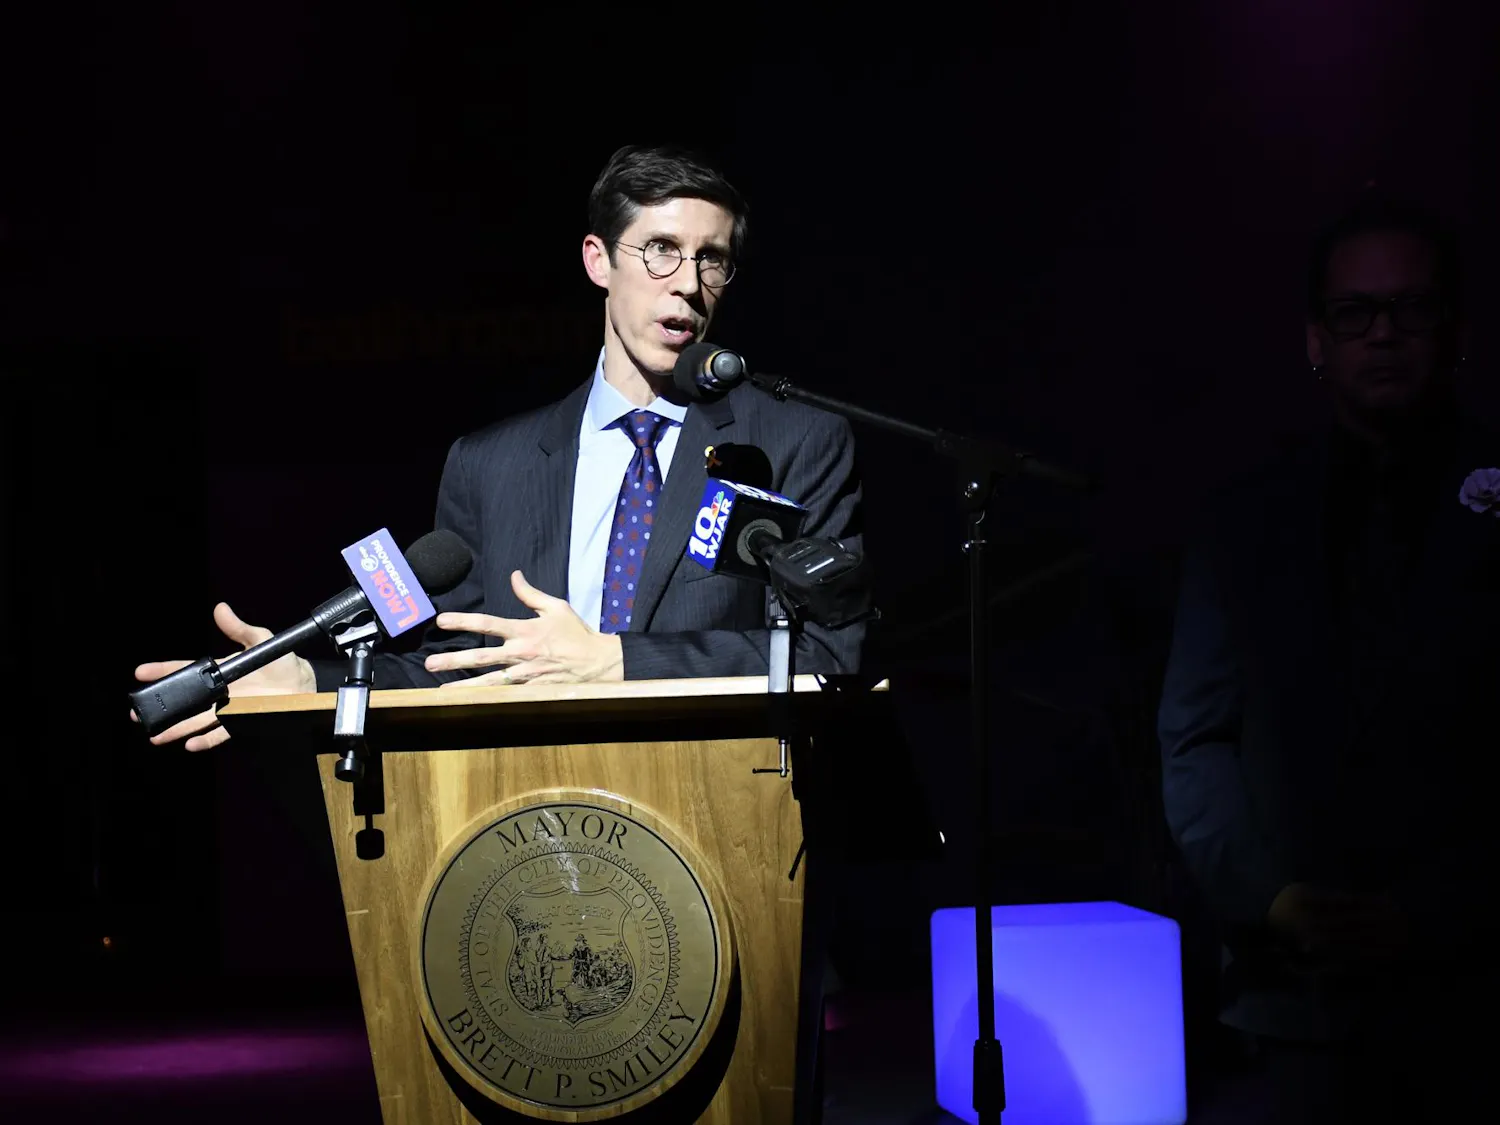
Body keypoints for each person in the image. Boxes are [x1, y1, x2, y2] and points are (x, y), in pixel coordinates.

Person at [133, 144, 865, 751]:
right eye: (661, 251)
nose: (688, 286)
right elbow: (454, 669)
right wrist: (313, 683)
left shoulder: (795, 441)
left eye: (712, 260)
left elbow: (831, 653)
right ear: (598, 260)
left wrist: (616, 661)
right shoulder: (490, 465)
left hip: (714, 807)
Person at [1159, 195, 1498, 1121]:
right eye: (1356, 312)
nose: (1383, 333)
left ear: (1455, 332)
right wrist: (1272, 898)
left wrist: (1437, 913)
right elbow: (1193, 741)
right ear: (1317, 340)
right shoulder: (1244, 519)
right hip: (1291, 1002)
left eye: (1412, 308)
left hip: (1479, 995)